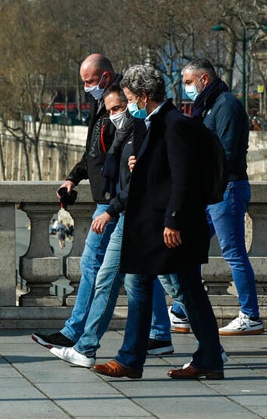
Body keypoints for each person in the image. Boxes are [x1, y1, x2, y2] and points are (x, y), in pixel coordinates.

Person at [93, 65, 223, 380]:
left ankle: (134, 360)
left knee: (185, 290)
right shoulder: (158, 123)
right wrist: (143, 165)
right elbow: (166, 170)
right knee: (173, 288)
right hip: (155, 225)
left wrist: (174, 222)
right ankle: (202, 358)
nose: (128, 104)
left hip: (168, 227)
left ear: (144, 96)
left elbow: (183, 178)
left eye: (129, 98)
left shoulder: (173, 124)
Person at [50, 85, 176, 368]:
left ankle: (205, 346)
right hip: (127, 215)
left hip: (143, 217)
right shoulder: (126, 134)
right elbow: (116, 174)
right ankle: (93, 347)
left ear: (141, 98)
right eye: (110, 111)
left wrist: (110, 210)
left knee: (178, 286)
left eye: (123, 105)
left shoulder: (154, 129)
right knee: (120, 279)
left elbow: (155, 179)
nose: (116, 114)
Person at [32, 54, 122, 350]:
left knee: (92, 264)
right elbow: (93, 154)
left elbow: (119, 158)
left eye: (89, 81)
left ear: (106, 77)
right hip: (107, 199)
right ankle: (160, 333)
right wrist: (72, 179)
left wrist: (112, 205)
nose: (86, 88)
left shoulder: (117, 106)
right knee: (137, 275)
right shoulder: (102, 103)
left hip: (113, 202)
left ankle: (74, 333)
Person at [176, 58, 263, 336]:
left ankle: (250, 315)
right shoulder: (210, 105)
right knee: (189, 245)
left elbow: (224, 154)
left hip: (226, 189)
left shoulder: (225, 105)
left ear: (204, 80)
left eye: (189, 83)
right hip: (214, 190)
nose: (186, 88)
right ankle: (181, 309)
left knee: (233, 253)